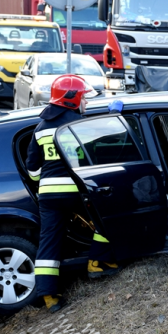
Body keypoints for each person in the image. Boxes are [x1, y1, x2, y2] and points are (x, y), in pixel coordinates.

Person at [26, 75, 119, 312]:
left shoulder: (39, 129)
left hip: (48, 196)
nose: (86, 103)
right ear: (72, 99)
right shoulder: (78, 125)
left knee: (49, 242)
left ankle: (48, 296)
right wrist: (114, 118)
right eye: (84, 98)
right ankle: (97, 262)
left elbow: (33, 168)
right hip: (74, 191)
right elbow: (101, 148)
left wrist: (43, 183)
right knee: (106, 216)